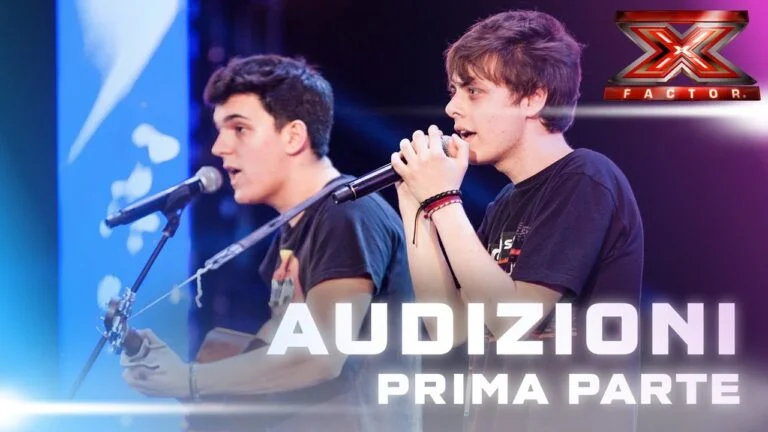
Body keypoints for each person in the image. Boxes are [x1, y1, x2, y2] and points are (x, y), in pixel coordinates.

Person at [121, 54, 420, 432]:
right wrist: (179, 377)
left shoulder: (347, 213)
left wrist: (191, 379)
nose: (219, 148)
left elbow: (319, 356)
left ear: (293, 136)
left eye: (239, 129)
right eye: (220, 130)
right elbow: (273, 356)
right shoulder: (291, 233)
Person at [390, 10, 643, 432]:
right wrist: (415, 203)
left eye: (473, 91)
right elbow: (449, 327)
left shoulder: (586, 178)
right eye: (454, 91)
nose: (452, 107)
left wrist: (443, 199)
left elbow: (514, 321)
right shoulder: (504, 205)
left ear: (533, 98)